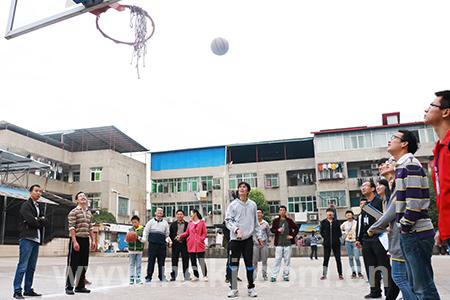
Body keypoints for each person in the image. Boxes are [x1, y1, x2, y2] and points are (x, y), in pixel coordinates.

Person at [387, 130, 441, 299]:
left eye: (394, 138)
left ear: (404, 144)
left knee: (423, 287)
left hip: (415, 233)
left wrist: (404, 225)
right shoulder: (403, 165)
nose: (390, 141)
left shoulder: (410, 164)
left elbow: (414, 202)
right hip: (411, 232)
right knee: (416, 285)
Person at [369, 158, 415, 300]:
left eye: (388, 162)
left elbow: (393, 211)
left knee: (399, 278)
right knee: (400, 278)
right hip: (391, 239)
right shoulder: (389, 191)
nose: (383, 166)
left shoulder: (399, 183)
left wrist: (374, 228)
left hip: (401, 237)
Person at [225, 182, 263, 298]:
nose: (241, 189)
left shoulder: (253, 205)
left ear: (248, 191)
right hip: (235, 242)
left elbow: (256, 223)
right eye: (240, 187)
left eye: (244, 187)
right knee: (234, 264)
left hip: (247, 241)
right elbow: (227, 220)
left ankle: (251, 288)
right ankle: (234, 288)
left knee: (249, 265)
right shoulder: (233, 205)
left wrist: (259, 236)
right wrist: (236, 229)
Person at [424, 90, 450, 254]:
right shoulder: (439, 150)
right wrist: (443, 227)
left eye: (431, 106)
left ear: (446, 112)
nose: (426, 110)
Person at [356, 180, 391, 299]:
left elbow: (383, 219)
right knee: (370, 266)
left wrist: (367, 208)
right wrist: (359, 238)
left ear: (372, 188)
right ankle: (375, 291)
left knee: (383, 266)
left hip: (379, 238)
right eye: (362, 186)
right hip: (367, 240)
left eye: (365, 186)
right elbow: (362, 222)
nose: (363, 188)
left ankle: (388, 292)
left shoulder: (379, 202)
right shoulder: (364, 204)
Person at [13, 184, 48, 300]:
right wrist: (38, 220)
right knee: (22, 266)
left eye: (40, 191)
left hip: (36, 240)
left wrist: (38, 220)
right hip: (27, 239)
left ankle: (28, 289)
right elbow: (31, 221)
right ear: (30, 192)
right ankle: (17, 291)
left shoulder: (39, 206)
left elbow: (45, 221)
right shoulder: (26, 205)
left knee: (31, 267)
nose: (39, 193)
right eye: (36, 191)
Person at [65, 191, 97, 295]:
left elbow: (91, 227)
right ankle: (69, 286)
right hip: (76, 239)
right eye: (80, 196)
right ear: (77, 200)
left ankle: (80, 286)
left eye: (84, 196)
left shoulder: (88, 212)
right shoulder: (73, 212)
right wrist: (74, 241)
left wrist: (93, 240)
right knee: (73, 264)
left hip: (85, 239)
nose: (83, 197)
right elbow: (72, 228)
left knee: (84, 263)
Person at [142, 207, 172, 283]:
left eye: (161, 212)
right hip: (152, 245)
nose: (159, 213)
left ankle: (162, 276)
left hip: (162, 245)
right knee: (151, 261)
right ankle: (148, 277)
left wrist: (169, 240)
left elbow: (167, 235)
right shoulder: (150, 222)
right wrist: (144, 239)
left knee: (161, 262)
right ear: (155, 213)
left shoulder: (165, 223)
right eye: (158, 211)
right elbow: (146, 231)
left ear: (163, 214)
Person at [177, 209, 208, 282]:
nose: (190, 215)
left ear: (195, 214)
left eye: (191, 213)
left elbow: (204, 233)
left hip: (199, 244)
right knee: (193, 261)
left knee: (201, 260)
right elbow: (187, 232)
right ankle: (196, 276)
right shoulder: (190, 223)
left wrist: (201, 239)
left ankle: (205, 275)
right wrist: (180, 236)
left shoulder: (202, 222)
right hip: (191, 244)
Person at [270, 205, 298, 282]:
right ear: (279, 211)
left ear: (285, 211)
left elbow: (296, 228)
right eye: (280, 210)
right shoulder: (275, 221)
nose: (282, 211)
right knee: (277, 260)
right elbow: (272, 230)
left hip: (288, 243)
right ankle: (274, 276)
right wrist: (277, 230)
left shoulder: (289, 220)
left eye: (283, 210)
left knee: (287, 260)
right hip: (279, 243)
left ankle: (286, 275)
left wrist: (292, 236)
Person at [320, 208, 343, 280]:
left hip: (336, 244)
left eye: (331, 214)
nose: (330, 215)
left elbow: (339, 233)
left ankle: (340, 274)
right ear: (326, 214)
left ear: (333, 214)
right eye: (328, 214)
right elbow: (321, 232)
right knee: (326, 259)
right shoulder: (323, 222)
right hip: (327, 244)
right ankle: (324, 274)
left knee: (338, 259)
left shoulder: (336, 222)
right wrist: (326, 238)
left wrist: (335, 238)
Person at [341, 210, 363, 279]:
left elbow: (359, 230)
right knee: (350, 258)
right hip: (348, 242)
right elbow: (340, 229)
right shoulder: (344, 223)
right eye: (347, 215)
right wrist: (344, 233)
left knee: (357, 257)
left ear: (352, 215)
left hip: (355, 241)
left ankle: (359, 272)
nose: (348, 216)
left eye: (349, 214)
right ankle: (353, 272)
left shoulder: (356, 223)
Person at [169, 209, 190, 281]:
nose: (179, 215)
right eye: (178, 214)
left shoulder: (188, 224)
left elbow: (189, 234)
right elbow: (170, 235)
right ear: (176, 215)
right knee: (174, 260)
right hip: (175, 244)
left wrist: (184, 239)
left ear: (183, 215)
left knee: (186, 260)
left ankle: (186, 275)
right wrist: (172, 241)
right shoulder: (173, 224)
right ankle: (173, 276)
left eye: (181, 214)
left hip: (185, 244)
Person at [252, 209, 270, 281]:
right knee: (254, 261)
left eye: (260, 213)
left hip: (264, 245)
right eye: (257, 213)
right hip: (255, 244)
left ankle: (264, 274)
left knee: (264, 260)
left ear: (262, 214)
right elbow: (252, 234)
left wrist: (266, 241)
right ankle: (254, 275)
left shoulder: (265, 223)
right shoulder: (253, 224)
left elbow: (268, 233)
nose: (258, 214)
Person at [128, 215, 144, 285]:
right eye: (133, 222)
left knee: (138, 265)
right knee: (132, 264)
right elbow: (127, 239)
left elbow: (144, 240)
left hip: (139, 250)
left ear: (139, 222)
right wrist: (128, 240)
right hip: (131, 250)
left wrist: (138, 237)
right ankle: (131, 278)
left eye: (135, 222)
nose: (134, 224)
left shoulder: (143, 230)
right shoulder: (130, 230)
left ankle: (138, 278)